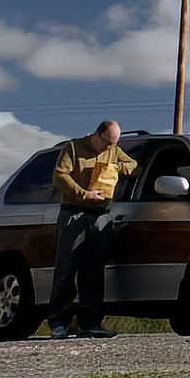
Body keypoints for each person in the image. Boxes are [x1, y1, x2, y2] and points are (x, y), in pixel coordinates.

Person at [49, 119, 138, 339]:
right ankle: (59, 322)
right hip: (74, 213)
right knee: (66, 270)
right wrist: (83, 193)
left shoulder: (113, 151)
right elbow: (59, 175)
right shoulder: (73, 147)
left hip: (100, 216)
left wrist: (118, 167)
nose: (110, 148)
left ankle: (91, 323)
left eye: (113, 145)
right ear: (97, 136)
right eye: (107, 143)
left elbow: (134, 166)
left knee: (94, 271)